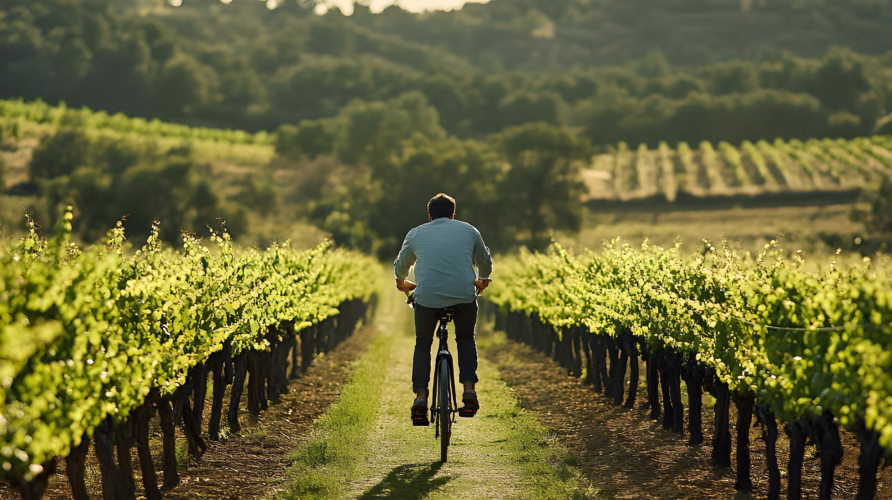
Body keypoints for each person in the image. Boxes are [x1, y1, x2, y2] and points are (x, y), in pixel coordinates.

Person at [393, 193, 493, 422]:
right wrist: (483, 280)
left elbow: (401, 265)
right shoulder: (469, 230)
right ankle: (469, 391)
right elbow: (485, 262)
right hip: (463, 296)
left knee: (423, 343)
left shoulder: (416, 233)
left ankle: (420, 397)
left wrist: (401, 282)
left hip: (427, 299)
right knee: (466, 338)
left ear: (430, 216)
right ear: (453, 214)